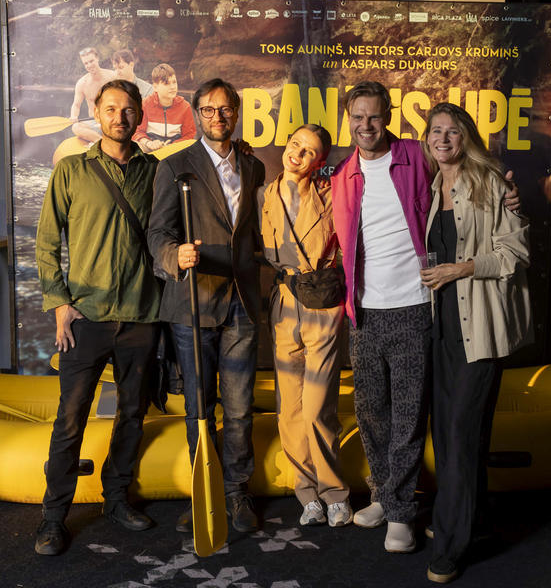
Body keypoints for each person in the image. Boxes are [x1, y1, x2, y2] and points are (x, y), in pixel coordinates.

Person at [330, 81, 519, 555]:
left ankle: (401, 514)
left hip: (414, 307)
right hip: (364, 312)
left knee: (409, 416)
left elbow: (466, 169)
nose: (366, 126)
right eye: (358, 117)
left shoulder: (418, 156)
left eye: (374, 116)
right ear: (348, 120)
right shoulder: (344, 175)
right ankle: (384, 495)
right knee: (372, 414)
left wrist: (507, 190)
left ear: (388, 116)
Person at [34, 79, 162, 555]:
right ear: (96, 111)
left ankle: (117, 499)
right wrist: (58, 302)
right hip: (86, 316)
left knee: (132, 414)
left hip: (142, 315)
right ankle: (53, 517)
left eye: (128, 110)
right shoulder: (71, 170)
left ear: (139, 115)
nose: (120, 117)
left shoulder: (155, 172)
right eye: (111, 109)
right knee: (70, 419)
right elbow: (47, 242)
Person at [419, 103, 531, 584]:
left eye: (453, 131)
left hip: (479, 330)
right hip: (442, 327)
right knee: (450, 434)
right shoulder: (430, 187)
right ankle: (472, 517)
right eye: (436, 131)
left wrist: (460, 268)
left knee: (460, 434)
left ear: (467, 137)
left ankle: (450, 544)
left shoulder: (491, 184)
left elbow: (516, 253)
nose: (443, 139)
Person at [148, 78, 266, 535]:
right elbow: (158, 233)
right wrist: (173, 255)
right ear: (197, 114)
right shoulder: (175, 167)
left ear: (236, 111)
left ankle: (236, 491)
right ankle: (205, 491)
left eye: (226, 108)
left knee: (239, 407)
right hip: (194, 302)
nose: (218, 117)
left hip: (242, 302)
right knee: (200, 407)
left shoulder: (253, 166)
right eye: (209, 110)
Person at [258, 124, 351, 527]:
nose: (298, 153)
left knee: (317, 408)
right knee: (290, 409)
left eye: (309, 151)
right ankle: (308, 494)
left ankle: (335, 493)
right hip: (284, 302)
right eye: (295, 144)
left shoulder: (333, 194)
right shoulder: (266, 194)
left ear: (320, 161)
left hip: (323, 303)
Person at [134, 64, 196, 153]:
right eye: (166, 83)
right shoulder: (145, 105)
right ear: (155, 87)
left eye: (174, 82)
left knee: (193, 144)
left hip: (175, 149)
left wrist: (172, 146)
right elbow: (137, 131)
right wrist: (149, 143)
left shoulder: (185, 106)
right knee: (134, 146)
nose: (172, 87)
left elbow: (189, 135)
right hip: (150, 147)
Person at [69, 47, 115, 143]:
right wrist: (74, 116)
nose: (89, 65)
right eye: (86, 63)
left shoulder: (112, 76)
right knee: (76, 127)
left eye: (91, 61)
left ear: (97, 58)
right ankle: (101, 142)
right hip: (94, 122)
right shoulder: (82, 83)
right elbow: (76, 105)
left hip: (113, 120)